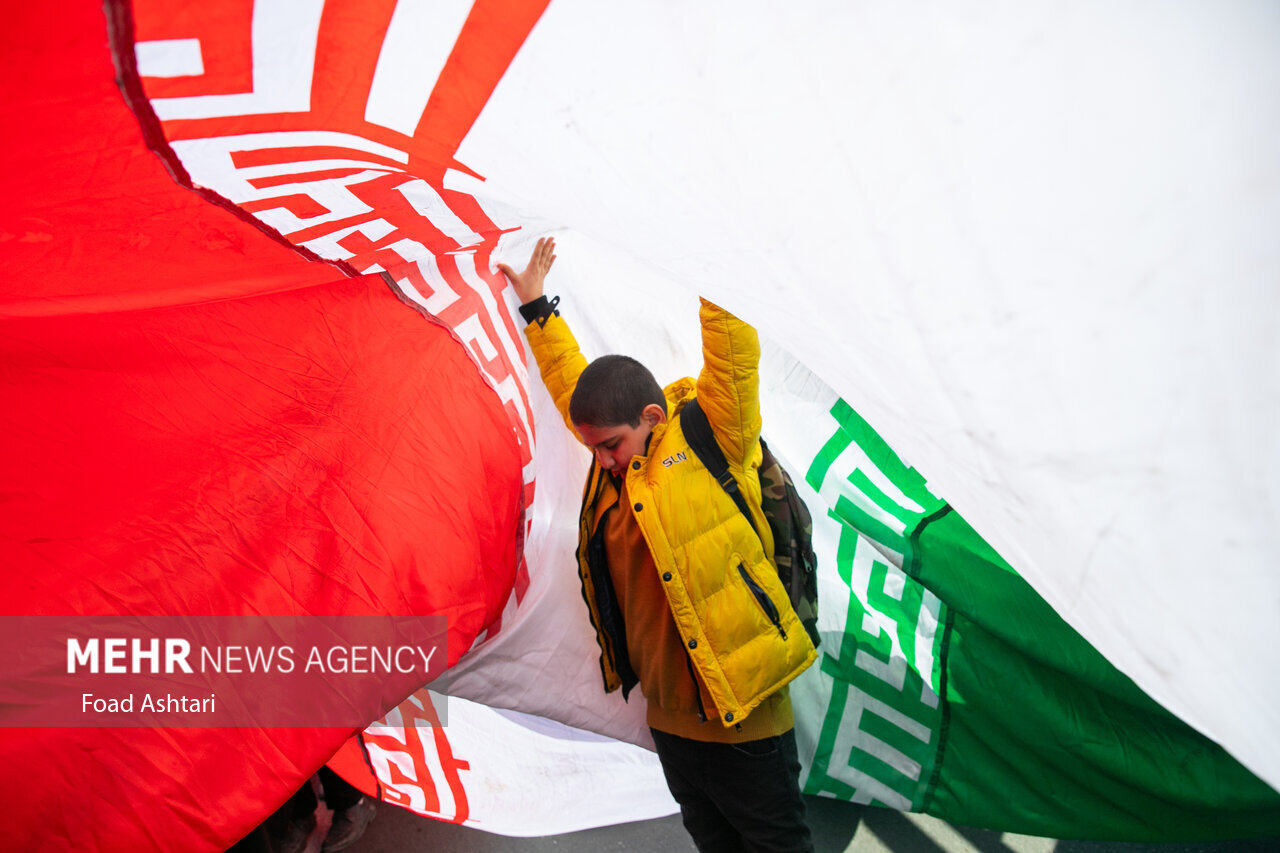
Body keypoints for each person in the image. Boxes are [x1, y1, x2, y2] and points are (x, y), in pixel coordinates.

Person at [499, 237, 818, 853]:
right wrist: (537, 307)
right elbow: (574, 386)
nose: (602, 460)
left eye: (610, 445)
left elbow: (731, 352)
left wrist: (715, 244)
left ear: (651, 416)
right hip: (673, 730)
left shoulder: (713, 436)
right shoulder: (614, 465)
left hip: (744, 723)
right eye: (594, 447)